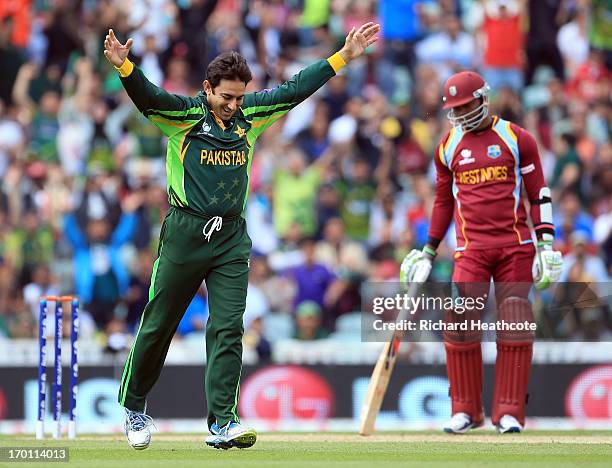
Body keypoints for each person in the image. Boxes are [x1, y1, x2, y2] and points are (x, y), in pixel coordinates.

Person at [103, 23, 380, 450]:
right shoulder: (184, 117)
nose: (232, 105)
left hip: (231, 237)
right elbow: (150, 98)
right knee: (160, 324)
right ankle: (134, 406)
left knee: (230, 326)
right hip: (185, 233)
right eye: (225, 96)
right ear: (207, 88)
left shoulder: (250, 114)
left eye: (238, 96)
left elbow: (294, 89)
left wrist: (341, 57)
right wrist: (125, 68)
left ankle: (222, 422)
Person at [400, 71, 563, 434]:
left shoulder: (516, 137)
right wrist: (428, 250)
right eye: (454, 108)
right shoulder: (447, 146)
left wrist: (546, 242)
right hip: (471, 250)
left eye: (465, 105)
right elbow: (443, 201)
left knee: (514, 325)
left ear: (483, 99)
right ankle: (465, 410)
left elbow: (540, 193)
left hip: (515, 248)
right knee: (458, 323)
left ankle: (508, 413)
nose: (460, 114)